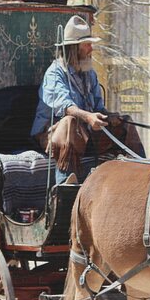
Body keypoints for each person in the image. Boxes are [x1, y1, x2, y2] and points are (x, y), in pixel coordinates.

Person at [30, 15, 108, 184]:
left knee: (124, 124)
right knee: (69, 122)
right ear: (74, 48)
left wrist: (109, 117)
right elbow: (65, 106)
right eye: (87, 44)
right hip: (51, 133)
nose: (91, 49)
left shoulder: (90, 74)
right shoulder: (55, 73)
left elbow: (98, 107)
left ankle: (142, 174)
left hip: (83, 133)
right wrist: (88, 117)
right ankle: (64, 183)